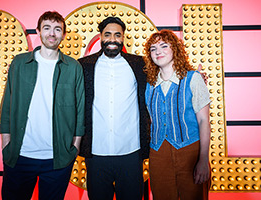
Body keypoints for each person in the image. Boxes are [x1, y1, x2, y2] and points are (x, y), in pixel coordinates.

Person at [0, 11, 85, 200]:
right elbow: (7, 104)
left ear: (63, 34)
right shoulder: (20, 63)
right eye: (47, 28)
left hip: (58, 159)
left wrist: (75, 147)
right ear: (38, 31)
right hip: (20, 155)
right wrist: (6, 144)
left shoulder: (73, 67)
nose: (52, 33)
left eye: (57, 29)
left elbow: (80, 109)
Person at [78, 17, 149, 200]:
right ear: (100, 37)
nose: (113, 39)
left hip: (131, 152)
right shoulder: (84, 65)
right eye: (107, 34)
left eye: (118, 35)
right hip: (96, 153)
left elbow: (167, 73)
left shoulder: (140, 64)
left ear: (123, 38)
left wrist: (194, 76)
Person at [143, 30, 211, 200]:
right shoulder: (148, 85)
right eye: (153, 49)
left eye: (164, 46)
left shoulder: (193, 79)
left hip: (190, 151)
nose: (158, 51)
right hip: (158, 154)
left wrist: (203, 160)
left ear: (175, 49)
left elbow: (203, 121)